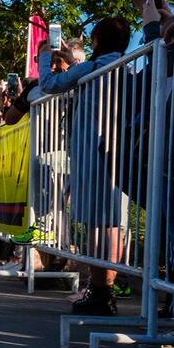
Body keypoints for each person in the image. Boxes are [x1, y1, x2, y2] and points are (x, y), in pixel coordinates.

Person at [37, 17, 132, 314]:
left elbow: (49, 84)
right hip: (120, 152)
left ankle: (100, 290)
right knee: (113, 224)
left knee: (95, 224)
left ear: (96, 41)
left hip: (93, 152)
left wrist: (44, 57)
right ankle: (106, 287)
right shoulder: (130, 68)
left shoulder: (92, 68)